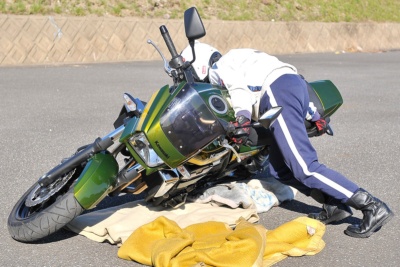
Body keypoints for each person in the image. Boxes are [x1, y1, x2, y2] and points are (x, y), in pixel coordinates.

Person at [181, 42, 393, 238]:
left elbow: (239, 91)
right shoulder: (239, 56)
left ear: (197, 65)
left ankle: (372, 206)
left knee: (305, 167)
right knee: (279, 169)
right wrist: (314, 115)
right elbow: (285, 77)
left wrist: (242, 120)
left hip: (275, 94)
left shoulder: (221, 66)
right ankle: (334, 204)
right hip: (292, 85)